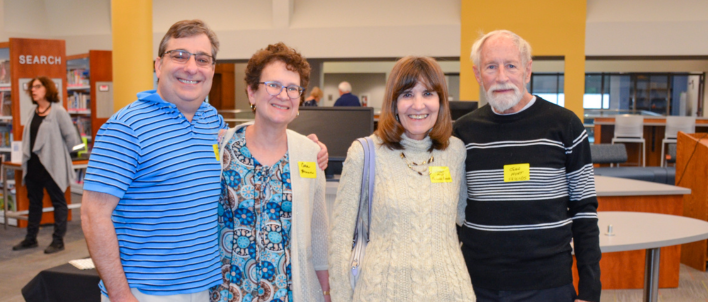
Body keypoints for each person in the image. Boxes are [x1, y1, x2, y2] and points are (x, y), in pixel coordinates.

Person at [81, 20, 329, 302]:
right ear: (158, 65)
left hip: (207, 289)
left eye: (202, 59)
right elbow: (93, 216)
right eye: (179, 55)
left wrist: (311, 149)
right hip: (146, 293)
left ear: (211, 70)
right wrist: (120, 295)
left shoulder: (212, 125)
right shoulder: (125, 127)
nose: (191, 67)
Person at [453, 30, 601, 302]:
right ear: (477, 74)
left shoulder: (566, 125)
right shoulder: (462, 133)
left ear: (527, 69)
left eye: (511, 65)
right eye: (490, 67)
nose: (501, 77)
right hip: (477, 286)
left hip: (548, 286)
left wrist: (590, 291)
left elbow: (584, 212)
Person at [329, 56, 475, 301]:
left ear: (441, 100)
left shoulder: (455, 151)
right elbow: (340, 239)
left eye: (428, 93)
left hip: (451, 292)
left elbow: (463, 216)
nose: (418, 105)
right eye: (407, 94)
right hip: (381, 293)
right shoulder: (365, 153)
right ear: (393, 102)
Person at [210, 42, 330, 302]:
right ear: (252, 93)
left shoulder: (310, 154)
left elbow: (319, 236)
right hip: (226, 294)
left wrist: (327, 293)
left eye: (292, 88)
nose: (283, 95)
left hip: (288, 294)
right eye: (273, 85)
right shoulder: (220, 147)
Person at [12, 76, 80, 254]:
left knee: (59, 202)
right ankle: (30, 238)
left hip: (52, 165)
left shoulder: (58, 111)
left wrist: (74, 155)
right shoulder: (33, 112)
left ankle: (58, 241)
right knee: (34, 203)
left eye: (37, 87)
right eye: (31, 88)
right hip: (34, 165)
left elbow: (71, 138)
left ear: (47, 89)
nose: (33, 90)